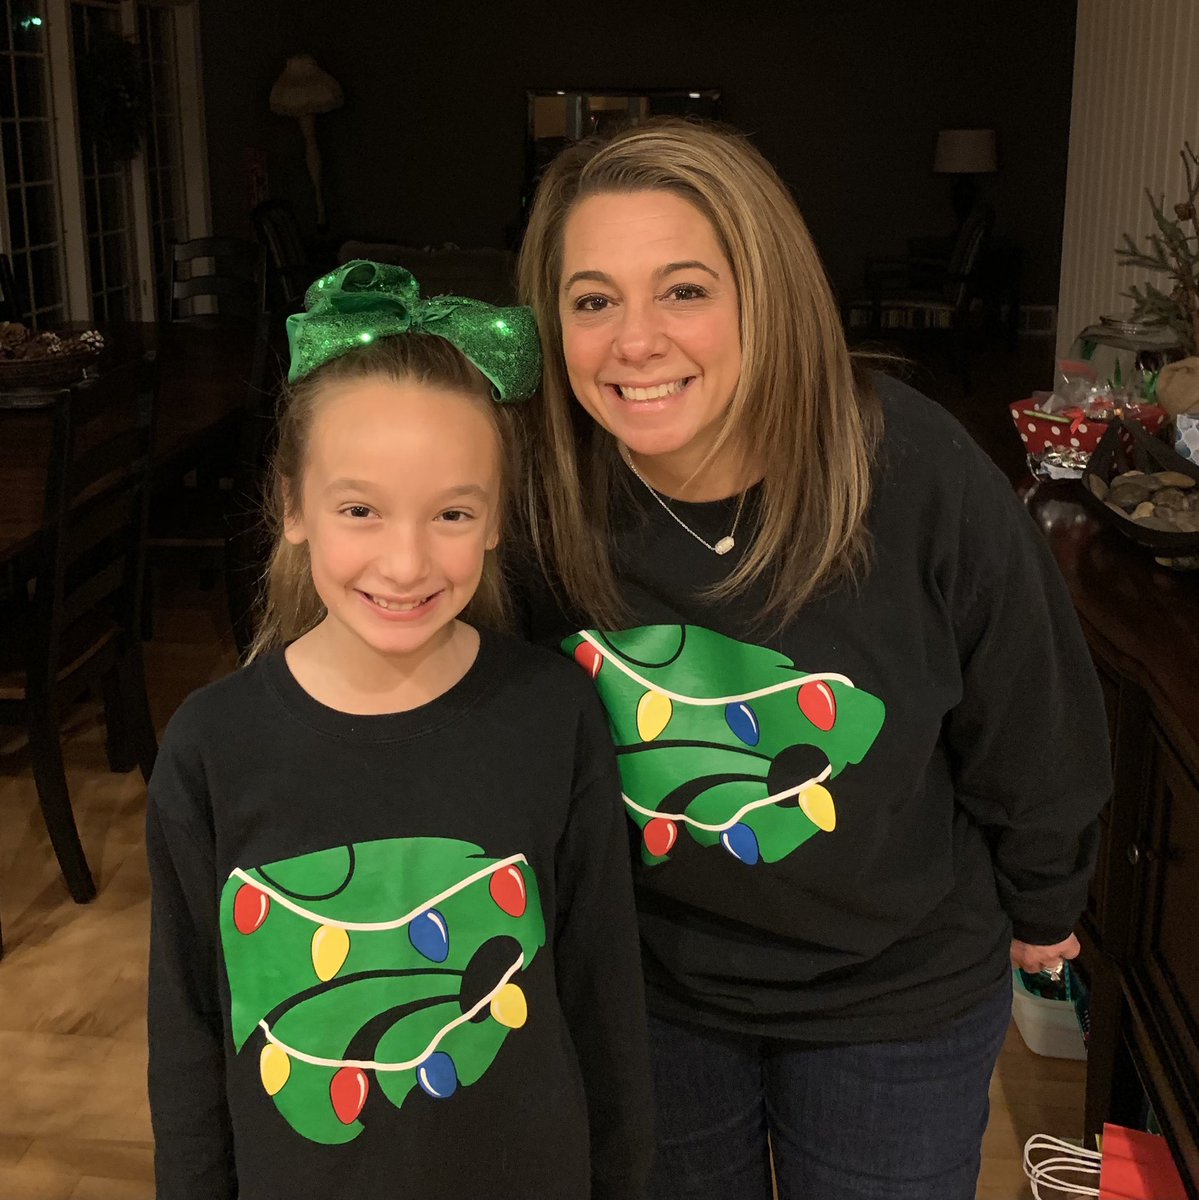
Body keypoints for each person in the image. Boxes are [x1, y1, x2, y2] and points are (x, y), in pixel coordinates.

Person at [514, 120, 1111, 1200]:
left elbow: (1030, 705)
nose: (633, 340)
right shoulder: (535, 496)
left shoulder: (909, 463)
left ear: (765, 294)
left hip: (894, 990)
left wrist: (1044, 899)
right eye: (592, 299)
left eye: (684, 290)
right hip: (650, 992)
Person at [145, 261, 652, 1200]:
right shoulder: (211, 747)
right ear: (291, 508)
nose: (407, 561)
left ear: (497, 518)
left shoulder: (552, 714)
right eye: (360, 510)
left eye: (452, 513)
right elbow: (186, 1031)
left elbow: (602, 999)